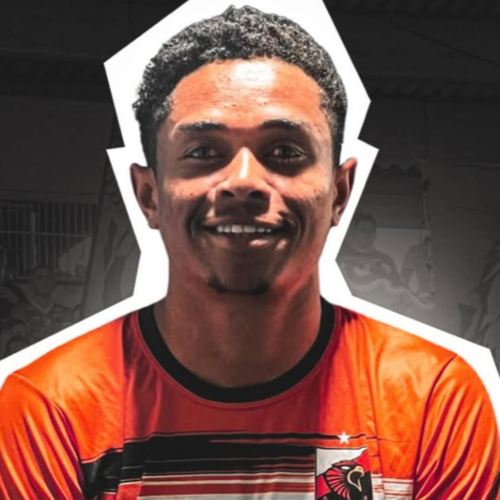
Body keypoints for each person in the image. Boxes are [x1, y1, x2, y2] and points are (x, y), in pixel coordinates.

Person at [0, 6, 499, 500]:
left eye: (285, 152)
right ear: (149, 196)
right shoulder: (50, 408)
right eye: (203, 152)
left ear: (339, 193)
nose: (243, 181)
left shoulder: (434, 399)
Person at [10, 265, 73, 345]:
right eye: (39, 278)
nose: (44, 281)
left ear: (54, 283)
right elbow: (15, 344)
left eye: (48, 278)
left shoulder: (66, 312)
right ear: (31, 283)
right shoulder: (19, 311)